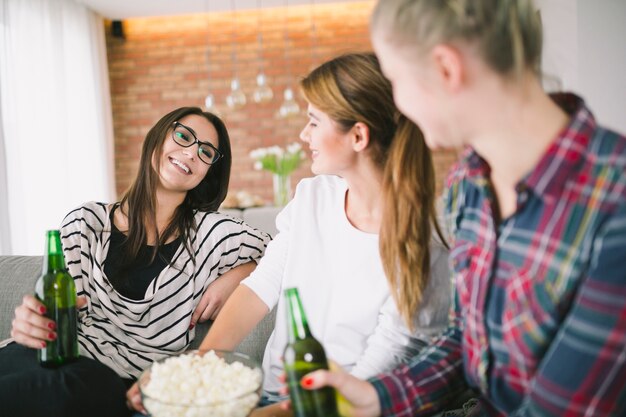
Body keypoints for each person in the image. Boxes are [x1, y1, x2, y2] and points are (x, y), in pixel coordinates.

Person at [297, 1, 626, 416]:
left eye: (396, 78)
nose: (397, 104)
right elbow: (464, 338)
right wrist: (378, 397)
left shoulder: (615, 204)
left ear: (446, 69)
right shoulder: (468, 183)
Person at [128, 52, 452, 414]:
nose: (304, 134)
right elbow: (259, 287)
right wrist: (193, 371)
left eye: (314, 121)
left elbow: (368, 386)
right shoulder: (314, 197)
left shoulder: (424, 247)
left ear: (358, 136)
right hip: (268, 395)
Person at [0, 107, 271, 417]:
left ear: (209, 172)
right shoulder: (85, 221)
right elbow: (61, 306)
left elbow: (289, 251)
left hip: (112, 380)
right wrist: (34, 321)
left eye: (206, 152)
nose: (192, 153)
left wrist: (240, 274)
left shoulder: (213, 234)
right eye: (183, 136)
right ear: (157, 139)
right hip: (48, 358)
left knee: (63, 393)